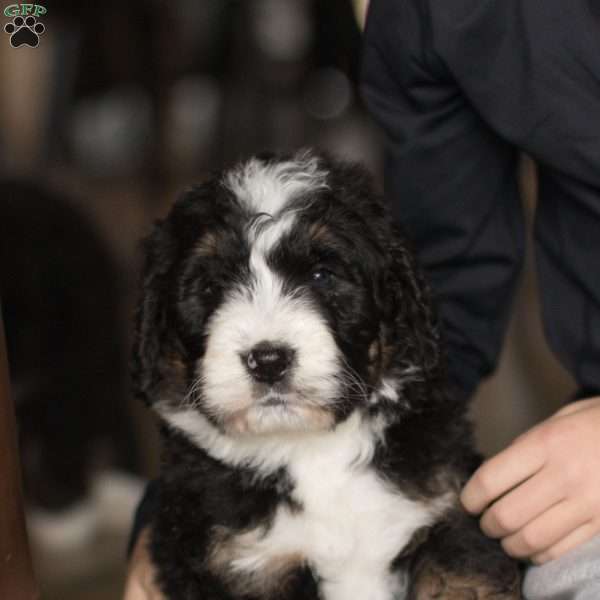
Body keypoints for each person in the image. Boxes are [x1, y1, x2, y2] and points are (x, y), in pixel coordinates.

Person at [124, 1, 600, 598]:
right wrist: (168, 516)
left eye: (321, 280)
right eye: (214, 288)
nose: (266, 337)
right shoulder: (422, 18)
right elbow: (448, 269)